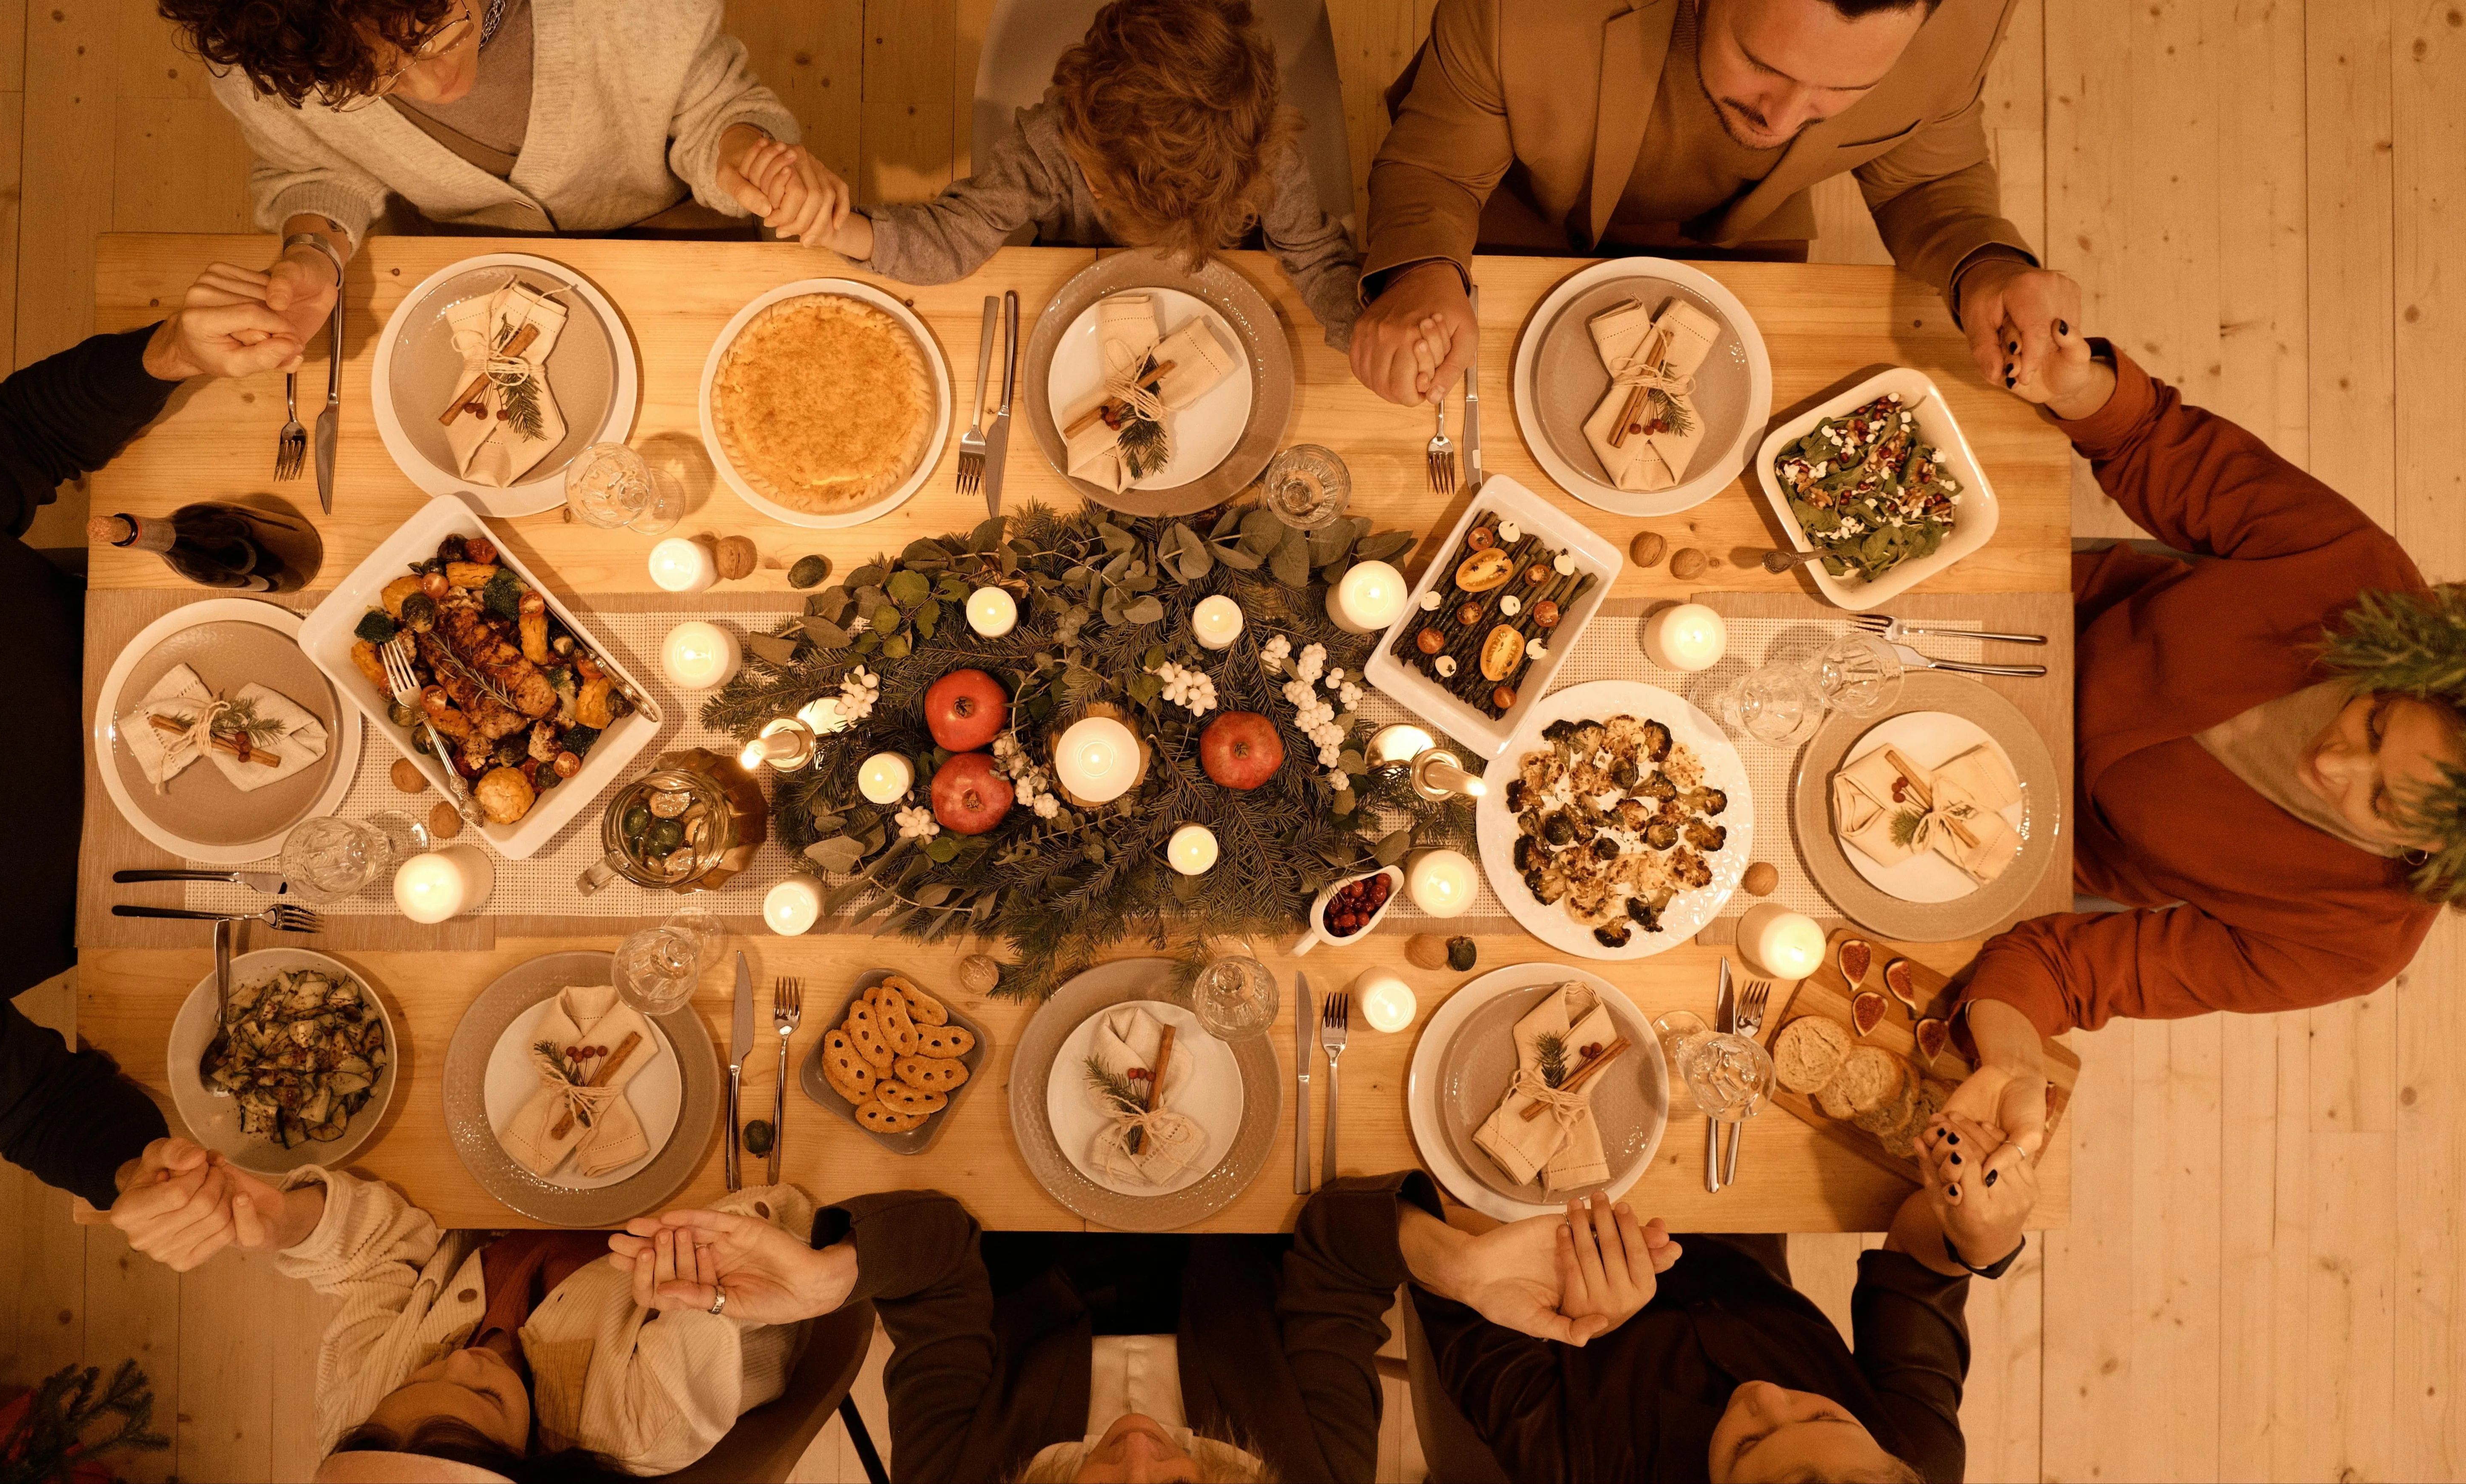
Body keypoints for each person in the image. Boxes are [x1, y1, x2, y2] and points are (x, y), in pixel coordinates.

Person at [0, 269, 312, 1208]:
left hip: (211, 622)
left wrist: (165, 354)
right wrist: (132, 1170)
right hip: (245, 876)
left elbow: (14, 441)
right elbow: (31, 1104)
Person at [1938, 323, 2463, 1163]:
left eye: (2377, 800)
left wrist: (2009, 1055)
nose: (2330, 763)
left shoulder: (2352, 939)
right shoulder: (2362, 581)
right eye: (2371, 722)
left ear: (2428, 850)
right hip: (2007, 624)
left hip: (1988, 828)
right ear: (2416, 672)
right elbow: (2157, 441)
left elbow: (2076, 971)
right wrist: (2079, 385)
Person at [1349, 0, 2079, 404]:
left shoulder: (1969, 18)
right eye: (1763, 66)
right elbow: (1436, 169)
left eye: (1843, 91)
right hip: (1508, 213)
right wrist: (1419, 273)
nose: (1784, 121)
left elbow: (1927, 178)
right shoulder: (1523, 10)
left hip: (1746, 247)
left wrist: (1984, 263)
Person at [158, 0, 853, 356]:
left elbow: (708, 107)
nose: (436, 88)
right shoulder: (273, 62)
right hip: (464, 263)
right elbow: (311, 169)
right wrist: (315, 249)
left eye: (444, 34)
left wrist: (746, 153)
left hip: (675, 228)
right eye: (378, 76)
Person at [601, 1182, 1420, 1482]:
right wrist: (1453, 1263)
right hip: (1234, 1232)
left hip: (1022, 1238)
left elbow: (937, 1262)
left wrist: (831, 1279)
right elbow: (1340, 1255)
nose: (1137, 1450)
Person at [1365, 1116, 2029, 1482]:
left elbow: (1435, 1258)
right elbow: (1917, 1254)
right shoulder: (1920, 1459)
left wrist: (1563, 1300)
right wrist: (1978, 1236)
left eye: (1748, 1446)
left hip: (1514, 1198)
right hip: (1728, 1205)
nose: (1764, 1394)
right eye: (1827, 1419)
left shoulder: (1575, 1468)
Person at [104, 1138, 811, 1479]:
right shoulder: (647, 1423)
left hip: (523, 1191)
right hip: (719, 1183)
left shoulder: (361, 1410)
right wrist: (698, 1275)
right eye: (483, 1394)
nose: (463, 1357)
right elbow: (778, 1220)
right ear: (532, 1458)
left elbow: (378, 1261)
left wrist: (285, 1219)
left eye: (418, 1378)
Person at [775, 0, 1363, 347]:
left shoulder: (1265, 156)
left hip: (1240, 316)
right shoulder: (1054, 141)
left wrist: (1365, 329)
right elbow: (956, 234)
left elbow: (1315, 259)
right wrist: (844, 229)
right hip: (1077, 309)